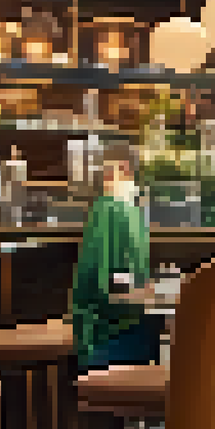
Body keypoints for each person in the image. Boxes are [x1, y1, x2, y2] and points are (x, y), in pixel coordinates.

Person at [71, 143, 162, 371]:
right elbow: (113, 286)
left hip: (107, 332)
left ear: (122, 168)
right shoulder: (115, 209)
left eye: (105, 167)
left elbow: (115, 278)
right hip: (111, 337)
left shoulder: (116, 209)